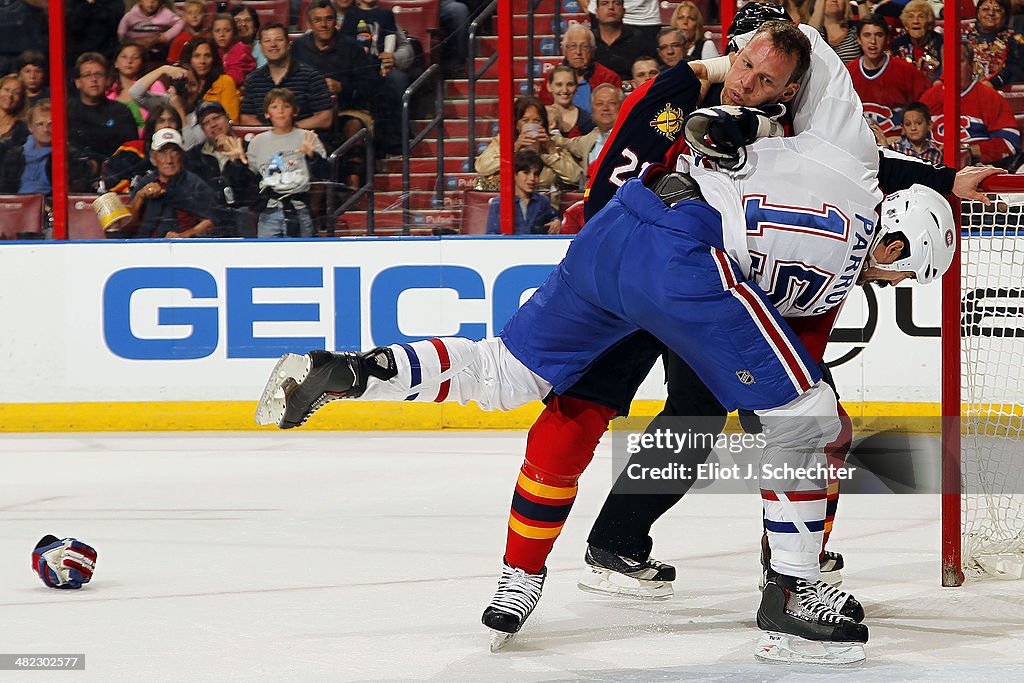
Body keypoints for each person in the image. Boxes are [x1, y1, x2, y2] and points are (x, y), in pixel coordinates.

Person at [255, 37, 955, 664]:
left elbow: (772, 126)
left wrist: (931, 180)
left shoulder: (839, 156)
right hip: (684, 259)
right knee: (808, 416)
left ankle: (357, 370)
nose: (889, 281)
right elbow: (777, 112)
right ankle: (793, 594)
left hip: (620, 231)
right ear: (895, 242)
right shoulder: (834, 248)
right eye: (900, 271)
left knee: (507, 371)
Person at [920, 41, 1021, 166]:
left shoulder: (989, 97)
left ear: (971, 65)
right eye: (948, 61)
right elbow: (911, 136)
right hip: (934, 168)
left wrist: (970, 151)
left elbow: (1010, 141)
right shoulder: (929, 97)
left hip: (978, 169)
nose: (953, 66)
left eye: (960, 61)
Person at [246, 88, 330, 238]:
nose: (281, 111)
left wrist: (312, 156)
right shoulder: (257, 142)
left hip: (300, 209)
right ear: (267, 113)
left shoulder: (308, 137)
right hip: (269, 211)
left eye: (286, 106)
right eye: (275, 107)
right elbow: (249, 178)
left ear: (295, 111)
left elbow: (325, 173)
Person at [340, 0, 417, 156]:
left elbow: (405, 47)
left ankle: (397, 140)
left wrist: (393, 58)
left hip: (382, 68)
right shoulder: (337, 17)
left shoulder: (385, 14)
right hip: (353, 71)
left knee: (396, 80)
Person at [128, 127, 228, 238]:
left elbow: (211, 221)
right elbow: (126, 224)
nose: (169, 160)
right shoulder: (145, 183)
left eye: (174, 153)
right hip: (144, 248)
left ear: (181, 155)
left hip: (184, 248)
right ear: (154, 158)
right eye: (162, 153)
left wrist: (183, 236)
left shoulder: (195, 185)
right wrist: (140, 196)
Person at [474, 96, 582, 194]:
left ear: (543, 124)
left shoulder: (554, 142)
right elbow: (482, 167)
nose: (531, 124)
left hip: (545, 204)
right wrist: (514, 150)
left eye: (537, 120)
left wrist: (551, 152)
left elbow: (575, 177)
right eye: (525, 120)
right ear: (517, 124)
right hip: (511, 201)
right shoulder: (504, 140)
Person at [239, 23, 334, 133]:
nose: (273, 44)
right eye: (267, 41)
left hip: (303, 142)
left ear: (289, 44)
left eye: (278, 40)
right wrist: (272, 135)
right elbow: (247, 118)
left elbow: (325, 118)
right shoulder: (253, 80)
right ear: (260, 47)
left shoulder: (311, 76)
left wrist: (288, 132)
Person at [847, 15, 929, 140]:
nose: (873, 41)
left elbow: (927, 105)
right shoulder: (848, 72)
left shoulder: (906, 70)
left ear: (886, 39)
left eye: (879, 35)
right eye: (867, 35)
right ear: (858, 39)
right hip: (858, 140)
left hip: (899, 143)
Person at [67, 53, 139, 189]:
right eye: (87, 75)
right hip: (75, 178)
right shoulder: (66, 111)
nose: (93, 79)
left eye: (98, 74)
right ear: (78, 82)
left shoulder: (121, 112)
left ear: (107, 79)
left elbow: (131, 150)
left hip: (115, 177)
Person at [187, 101, 257, 236]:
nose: (213, 125)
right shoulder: (194, 156)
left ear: (228, 118)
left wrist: (237, 161)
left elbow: (250, 191)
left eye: (216, 118)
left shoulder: (249, 148)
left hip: (243, 217)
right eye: (206, 123)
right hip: (209, 220)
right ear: (202, 130)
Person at [537, 25, 622, 113]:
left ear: (592, 51)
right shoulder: (552, 78)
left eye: (584, 46)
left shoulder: (609, 78)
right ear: (565, 51)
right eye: (573, 46)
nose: (578, 52)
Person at [484, 150, 561, 235]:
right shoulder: (499, 203)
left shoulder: (543, 202)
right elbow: (491, 235)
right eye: (526, 173)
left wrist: (556, 221)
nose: (532, 178)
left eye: (536, 174)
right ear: (514, 174)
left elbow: (554, 218)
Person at [563, 83, 622, 177]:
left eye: (612, 103)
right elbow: (566, 144)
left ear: (622, 107)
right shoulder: (590, 138)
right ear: (592, 110)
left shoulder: (628, 137)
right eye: (599, 103)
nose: (605, 108)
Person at [108, 41, 166, 133]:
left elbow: (163, 115)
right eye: (124, 57)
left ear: (142, 63)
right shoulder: (107, 91)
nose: (129, 61)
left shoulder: (154, 86)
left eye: (135, 57)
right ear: (116, 63)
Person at [181, 36, 241, 123]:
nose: (202, 61)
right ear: (189, 59)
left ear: (213, 59)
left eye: (207, 56)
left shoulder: (225, 82)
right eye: (197, 56)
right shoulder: (181, 82)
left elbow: (231, 120)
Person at [592, 0, 656, 81]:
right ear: (596, 13)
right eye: (605, 4)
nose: (611, 7)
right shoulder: (588, 39)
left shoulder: (640, 39)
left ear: (623, 11)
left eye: (617, 3)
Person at [966, 0, 1024, 88]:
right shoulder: (963, 37)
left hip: (999, 92)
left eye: (997, 10)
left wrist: (994, 82)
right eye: (985, 9)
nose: (991, 13)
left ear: (1005, 16)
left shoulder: (1014, 41)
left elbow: (1015, 69)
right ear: (978, 14)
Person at [0, 99, 50, 195]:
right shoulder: (14, 156)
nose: (45, 129)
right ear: (30, 127)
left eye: (50, 124)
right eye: (40, 124)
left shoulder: (69, 156)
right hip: (16, 207)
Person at [891, 0, 943, 83]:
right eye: (911, 17)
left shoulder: (941, 43)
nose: (916, 21)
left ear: (929, 23)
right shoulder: (897, 44)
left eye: (921, 16)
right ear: (906, 25)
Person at [118, 0, 186, 62]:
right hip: (135, 49)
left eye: (154, 1)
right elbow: (121, 34)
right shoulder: (131, 15)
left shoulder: (165, 14)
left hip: (156, 49)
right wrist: (132, 43)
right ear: (140, 1)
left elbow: (181, 22)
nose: (150, 3)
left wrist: (166, 36)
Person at [544, 65, 594, 138]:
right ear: (549, 86)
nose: (564, 90)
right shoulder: (541, 117)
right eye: (559, 85)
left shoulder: (587, 120)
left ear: (576, 87)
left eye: (570, 85)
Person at [211, 13, 257, 88]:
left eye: (227, 30)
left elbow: (233, 81)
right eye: (217, 31)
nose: (222, 34)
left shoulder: (242, 51)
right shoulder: (216, 52)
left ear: (234, 32)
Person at [0, 73, 28, 150]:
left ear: (21, 100)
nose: (10, 95)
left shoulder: (23, 129)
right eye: (6, 90)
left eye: (16, 93)